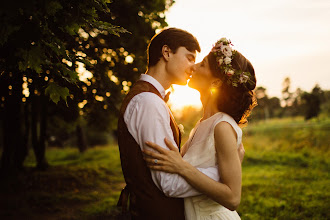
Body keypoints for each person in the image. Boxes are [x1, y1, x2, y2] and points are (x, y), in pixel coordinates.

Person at [117, 28, 233, 220]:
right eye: (189, 58)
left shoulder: (150, 98)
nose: (192, 67)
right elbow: (168, 183)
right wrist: (222, 174)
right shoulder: (149, 102)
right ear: (166, 53)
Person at [143, 37, 257, 219]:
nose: (193, 66)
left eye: (202, 65)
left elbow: (233, 197)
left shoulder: (222, 126)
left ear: (216, 83)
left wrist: (182, 167)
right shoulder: (203, 123)